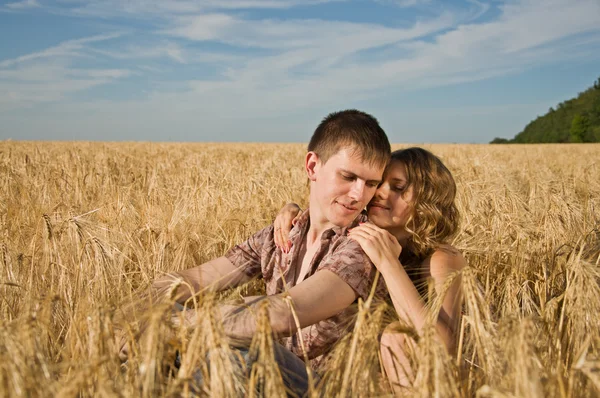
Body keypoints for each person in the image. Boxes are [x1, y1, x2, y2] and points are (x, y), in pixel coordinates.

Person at [116, 109, 391, 396]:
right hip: (265, 379)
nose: (360, 195)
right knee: (171, 312)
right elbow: (197, 279)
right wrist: (125, 317)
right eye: (348, 176)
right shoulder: (282, 232)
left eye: (372, 183)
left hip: (324, 389)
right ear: (312, 166)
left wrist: (169, 325)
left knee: (238, 349)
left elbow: (285, 314)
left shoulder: (364, 244)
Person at [274, 147, 465, 394]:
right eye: (378, 184)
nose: (380, 194)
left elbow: (442, 348)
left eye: (397, 188)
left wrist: (388, 263)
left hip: (436, 382)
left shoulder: (441, 258)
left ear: (427, 202)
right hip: (371, 377)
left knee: (395, 336)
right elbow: (323, 212)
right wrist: (293, 211)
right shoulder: (358, 235)